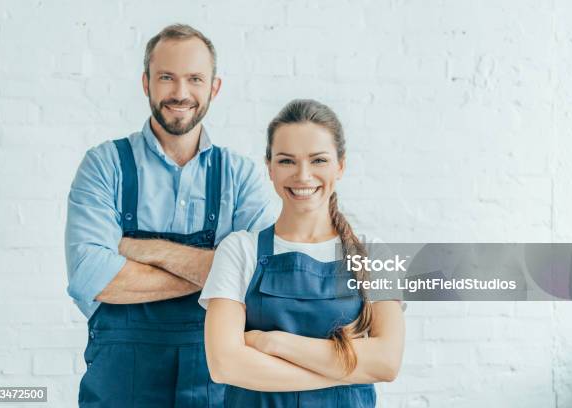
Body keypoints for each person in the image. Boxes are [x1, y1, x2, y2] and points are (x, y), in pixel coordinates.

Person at [65, 23, 275, 408]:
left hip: (214, 385)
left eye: (195, 79)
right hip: (119, 388)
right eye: (166, 77)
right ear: (145, 83)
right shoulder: (104, 166)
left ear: (214, 88)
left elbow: (261, 278)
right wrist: (219, 272)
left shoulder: (239, 175)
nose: (180, 93)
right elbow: (91, 275)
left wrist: (140, 251)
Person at [200, 99, 405, 407]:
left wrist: (274, 342)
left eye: (318, 160)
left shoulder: (374, 254)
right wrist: (348, 369)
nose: (303, 175)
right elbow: (224, 364)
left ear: (341, 166)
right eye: (286, 161)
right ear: (269, 167)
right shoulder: (240, 250)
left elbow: (387, 362)